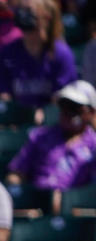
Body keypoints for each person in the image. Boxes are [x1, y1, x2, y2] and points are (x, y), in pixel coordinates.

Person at [7, 80, 96, 211]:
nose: (68, 113)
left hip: (77, 213)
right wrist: (21, 199)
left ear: (91, 112)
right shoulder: (40, 136)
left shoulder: (94, 145)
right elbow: (17, 174)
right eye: (65, 106)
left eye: (76, 108)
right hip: (37, 207)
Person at [0, 0, 76, 114]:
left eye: (28, 10)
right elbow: (4, 94)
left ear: (46, 17)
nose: (22, 14)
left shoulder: (61, 53)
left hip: (51, 123)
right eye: (20, 10)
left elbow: (61, 99)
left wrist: (44, 114)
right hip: (17, 120)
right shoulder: (7, 52)